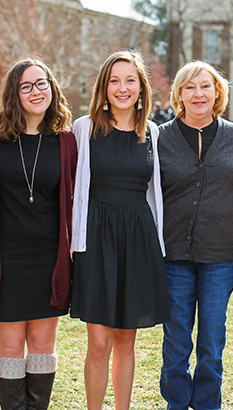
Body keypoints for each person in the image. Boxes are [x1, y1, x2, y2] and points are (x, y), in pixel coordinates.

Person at [70, 50, 170, 410]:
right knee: (98, 342)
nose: (122, 88)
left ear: (141, 88)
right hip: (97, 238)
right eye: (114, 80)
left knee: (126, 340)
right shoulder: (85, 128)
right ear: (104, 86)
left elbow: (154, 193)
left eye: (130, 80)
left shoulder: (153, 133)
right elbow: (75, 190)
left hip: (137, 239)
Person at [0, 59, 76, 410]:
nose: (36, 92)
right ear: (13, 94)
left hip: (49, 258)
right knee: (8, 346)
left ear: (53, 88)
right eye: (26, 86)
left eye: (42, 83)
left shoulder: (66, 141)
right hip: (4, 257)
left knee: (42, 344)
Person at [157, 60, 233, 410]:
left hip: (220, 255)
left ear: (217, 92)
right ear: (179, 94)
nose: (198, 93)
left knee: (213, 340)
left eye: (205, 86)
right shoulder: (161, 136)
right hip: (173, 255)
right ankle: (177, 403)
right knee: (177, 339)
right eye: (190, 87)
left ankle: (208, 403)